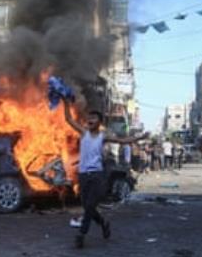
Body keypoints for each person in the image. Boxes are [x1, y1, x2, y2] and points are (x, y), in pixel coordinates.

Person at [63, 101, 147, 249]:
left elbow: (122, 141)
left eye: (94, 118)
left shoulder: (102, 137)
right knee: (87, 206)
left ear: (99, 122)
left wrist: (139, 138)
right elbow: (69, 119)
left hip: (97, 175)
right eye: (89, 118)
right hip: (83, 175)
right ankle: (103, 223)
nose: (90, 120)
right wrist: (64, 101)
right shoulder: (83, 133)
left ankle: (81, 234)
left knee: (89, 206)